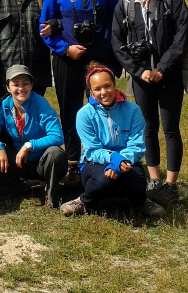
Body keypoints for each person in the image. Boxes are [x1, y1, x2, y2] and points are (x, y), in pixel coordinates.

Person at [112, 0, 188, 206]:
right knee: (148, 127)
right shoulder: (124, 2)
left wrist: (163, 68)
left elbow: (183, 37)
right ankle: (154, 178)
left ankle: (171, 184)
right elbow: (117, 42)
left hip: (169, 75)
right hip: (141, 77)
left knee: (170, 129)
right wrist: (139, 71)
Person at [40, 0, 119, 172]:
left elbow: (117, 21)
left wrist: (115, 55)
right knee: (70, 111)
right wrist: (65, 48)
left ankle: (104, 160)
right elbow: (44, 28)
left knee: (104, 108)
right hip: (68, 59)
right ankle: (73, 162)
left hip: (100, 58)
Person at [59, 63, 164, 218]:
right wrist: (113, 158)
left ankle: (141, 201)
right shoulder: (84, 114)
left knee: (137, 182)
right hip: (95, 162)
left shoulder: (133, 110)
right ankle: (84, 201)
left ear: (115, 85)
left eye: (107, 86)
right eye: (97, 89)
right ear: (91, 92)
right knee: (102, 181)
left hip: (127, 161)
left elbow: (137, 145)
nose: (104, 92)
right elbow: (92, 150)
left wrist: (120, 161)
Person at [0, 64, 67, 208]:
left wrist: (29, 145)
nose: (21, 88)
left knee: (56, 153)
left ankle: (52, 193)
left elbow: (58, 136)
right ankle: (9, 188)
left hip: (42, 162)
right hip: (19, 161)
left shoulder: (41, 103)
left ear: (32, 85)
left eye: (25, 83)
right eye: (15, 84)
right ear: (8, 88)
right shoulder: (3, 106)